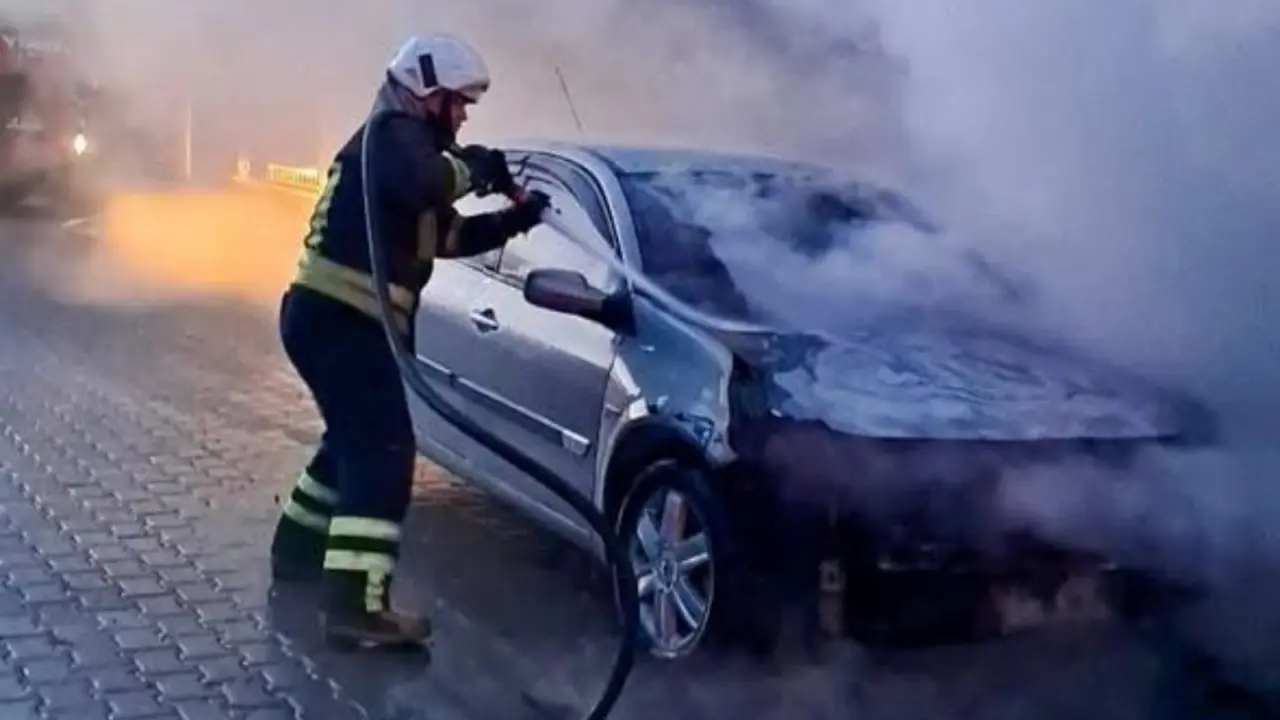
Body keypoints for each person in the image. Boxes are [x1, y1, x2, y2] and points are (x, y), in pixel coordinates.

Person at [268, 33, 550, 650]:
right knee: (384, 451)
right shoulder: (393, 134)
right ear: (428, 92)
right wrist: (478, 168)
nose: (465, 115)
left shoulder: (399, 145)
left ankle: (296, 554)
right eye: (459, 102)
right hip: (343, 321)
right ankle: (355, 607)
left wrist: (513, 221)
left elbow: (443, 237)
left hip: (328, 321)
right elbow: (426, 181)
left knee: (349, 443)